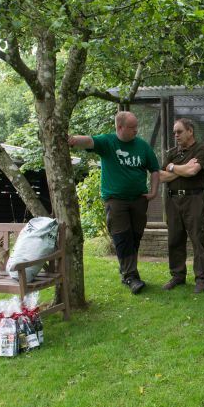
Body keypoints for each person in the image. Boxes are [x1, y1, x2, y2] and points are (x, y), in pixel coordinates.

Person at [68, 111, 160, 294]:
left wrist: (154, 191)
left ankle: (127, 269)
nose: (136, 130)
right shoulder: (108, 142)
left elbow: (155, 169)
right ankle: (131, 277)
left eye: (136, 127)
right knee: (122, 236)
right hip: (116, 200)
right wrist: (72, 139)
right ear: (120, 127)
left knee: (135, 237)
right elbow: (88, 141)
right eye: (132, 127)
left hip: (139, 200)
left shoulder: (142, 146)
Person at [160, 118, 204, 294]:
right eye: (174, 132)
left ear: (190, 131)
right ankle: (177, 276)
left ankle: (201, 279)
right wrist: (180, 168)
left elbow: (193, 171)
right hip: (172, 200)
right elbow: (160, 176)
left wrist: (172, 168)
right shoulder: (172, 152)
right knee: (174, 238)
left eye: (179, 131)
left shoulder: (201, 149)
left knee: (198, 239)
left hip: (193, 200)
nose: (176, 135)